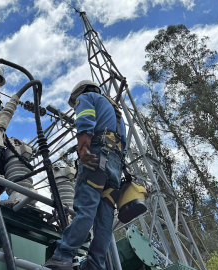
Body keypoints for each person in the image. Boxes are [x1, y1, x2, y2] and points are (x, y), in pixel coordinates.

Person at [44, 80, 126, 270]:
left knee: (86, 209)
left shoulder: (86, 97)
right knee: (104, 221)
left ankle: (63, 256)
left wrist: (83, 150)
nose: (76, 104)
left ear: (77, 94)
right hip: (115, 168)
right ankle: (95, 266)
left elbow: (85, 121)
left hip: (97, 159)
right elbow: (125, 145)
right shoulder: (117, 114)